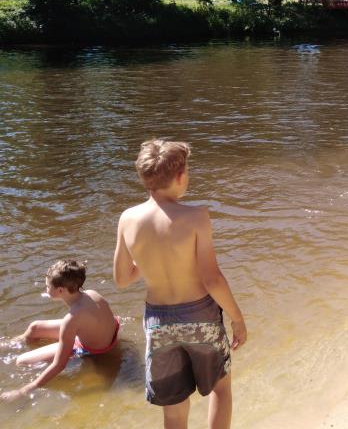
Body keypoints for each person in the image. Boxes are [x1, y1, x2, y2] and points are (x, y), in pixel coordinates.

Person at [114, 139, 247, 429]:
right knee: (220, 389)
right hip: (200, 315)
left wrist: (150, 258)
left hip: (158, 322)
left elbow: (122, 278)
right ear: (180, 176)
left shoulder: (128, 218)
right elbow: (212, 279)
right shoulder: (196, 216)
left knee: (173, 409)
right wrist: (237, 318)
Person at [0, 260, 120, 402]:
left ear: (60, 291)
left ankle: (29, 380)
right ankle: (9, 344)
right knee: (35, 327)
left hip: (95, 349)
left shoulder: (71, 320)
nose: (45, 289)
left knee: (21, 361)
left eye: (47, 286)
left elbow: (59, 365)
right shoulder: (91, 293)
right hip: (104, 333)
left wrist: (24, 390)